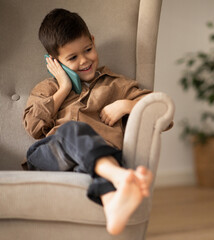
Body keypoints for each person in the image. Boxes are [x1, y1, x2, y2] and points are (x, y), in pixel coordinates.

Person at [22, 8, 154, 235]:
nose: (84, 61)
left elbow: (156, 108)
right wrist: (64, 87)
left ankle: (113, 201)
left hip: (92, 159)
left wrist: (126, 105)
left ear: (93, 41)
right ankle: (121, 176)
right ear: (54, 61)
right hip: (51, 155)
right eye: (72, 58)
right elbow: (33, 126)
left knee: (95, 160)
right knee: (73, 129)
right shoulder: (49, 88)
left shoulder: (117, 85)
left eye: (88, 50)